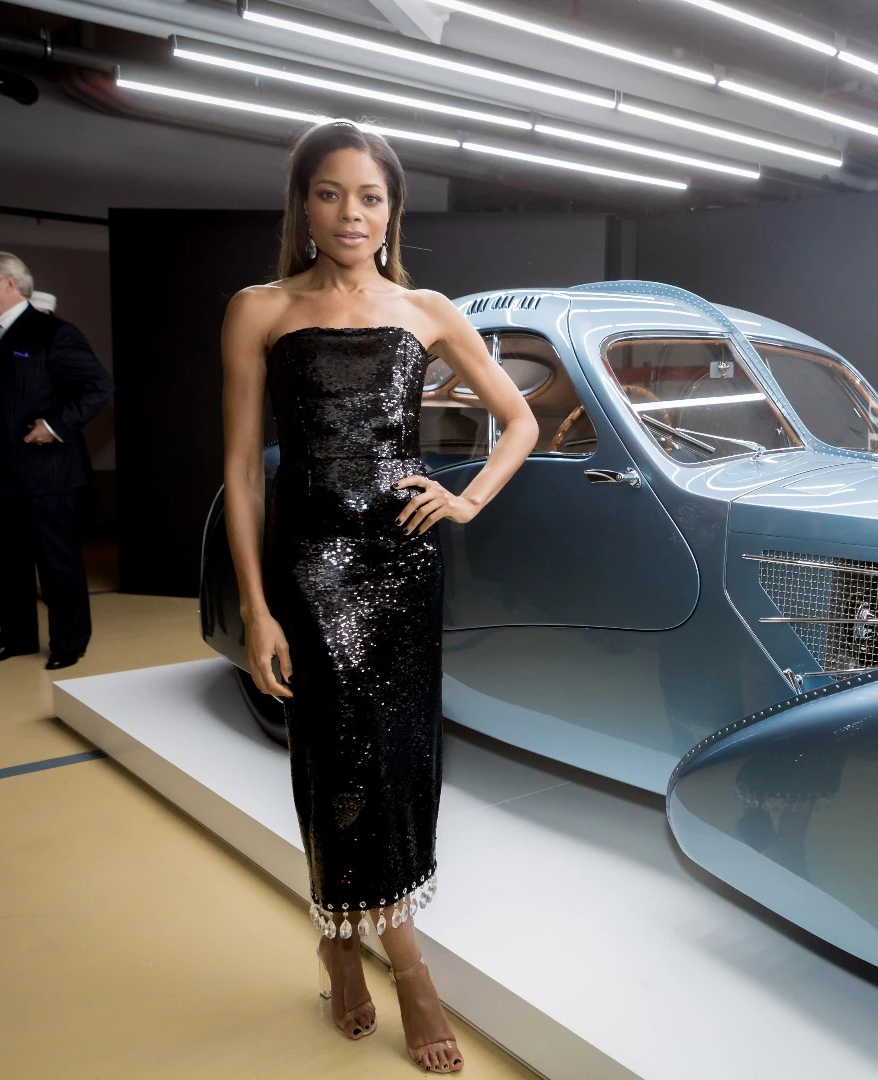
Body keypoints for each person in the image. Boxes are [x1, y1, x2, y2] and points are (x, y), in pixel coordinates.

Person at [220, 121, 536, 1073]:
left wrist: (467, 499)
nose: (350, 213)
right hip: (310, 569)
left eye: (369, 196)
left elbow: (518, 419)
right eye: (330, 193)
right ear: (303, 204)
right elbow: (242, 470)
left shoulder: (427, 309)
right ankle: (399, 961)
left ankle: (346, 940)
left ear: (392, 210)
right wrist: (257, 609)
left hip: (402, 564)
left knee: (397, 763)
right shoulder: (259, 309)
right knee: (335, 763)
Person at [0, 251, 113, 670]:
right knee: (5, 566)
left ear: (9, 284)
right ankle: (16, 638)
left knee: (57, 564)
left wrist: (55, 425)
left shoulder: (53, 333)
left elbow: (98, 386)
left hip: (46, 475)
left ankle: (69, 643)